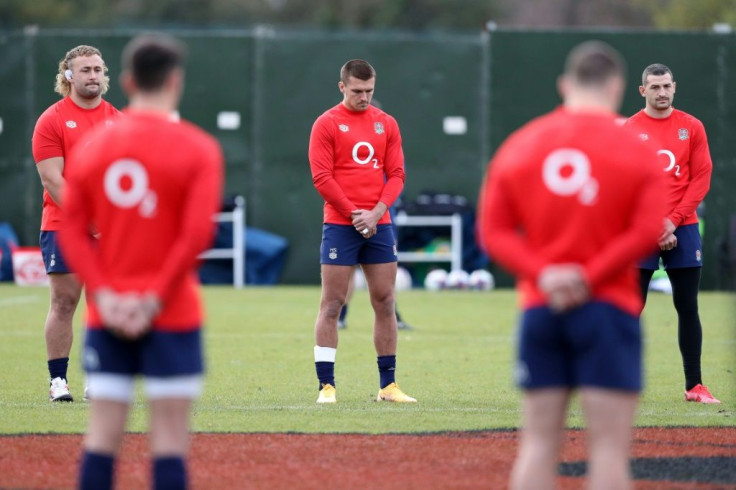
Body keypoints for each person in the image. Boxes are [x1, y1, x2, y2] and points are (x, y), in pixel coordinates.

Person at [477, 41, 666, 489]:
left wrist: (544, 273)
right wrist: (590, 275)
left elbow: (494, 232)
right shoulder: (638, 149)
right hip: (609, 308)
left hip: (542, 308)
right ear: (619, 87)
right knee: (607, 452)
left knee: (539, 445)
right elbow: (645, 233)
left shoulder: (522, 143)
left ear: (564, 85)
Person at [58, 34, 223, 489]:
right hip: (173, 311)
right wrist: (152, 298)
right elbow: (196, 235)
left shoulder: (95, 148)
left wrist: (107, 295)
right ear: (176, 81)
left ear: (128, 80)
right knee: (169, 439)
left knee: (102, 435)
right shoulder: (199, 147)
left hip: (107, 313)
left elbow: (70, 228)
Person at [309, 59, 416, 404]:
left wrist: (376, 212)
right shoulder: (326, 124)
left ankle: (388, 386)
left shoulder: (387, 124)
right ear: (342, 87)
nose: (364, 97)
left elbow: (397, 174)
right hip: (341, 225)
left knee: (385, 301)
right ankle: (327, 386)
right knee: (332, 304)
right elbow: (322, 177)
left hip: (379, 225)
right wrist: (354, 214)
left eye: (370, 91)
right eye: (357, 91)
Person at [625, 63, 720, 404]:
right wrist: (654, 224)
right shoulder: (629, 130)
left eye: (666, 86)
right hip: (642, 229)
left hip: (684, 227)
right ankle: (615, 383)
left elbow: (702, 177)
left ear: (674, 87)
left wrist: (673, 220)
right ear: (643, 91)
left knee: (687, 306)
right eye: (655, 87)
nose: (661, 92)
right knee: (630, 307)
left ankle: (694, 385)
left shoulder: (691, 127)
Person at [32, 44, 121, 402]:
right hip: (63, 225)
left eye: (98, 70)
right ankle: (58, 381)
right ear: (68, 75)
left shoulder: (118, 119)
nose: (94, 76)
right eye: (85, 70)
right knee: (64, 303)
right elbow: (52, 179)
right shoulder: (51, 120)